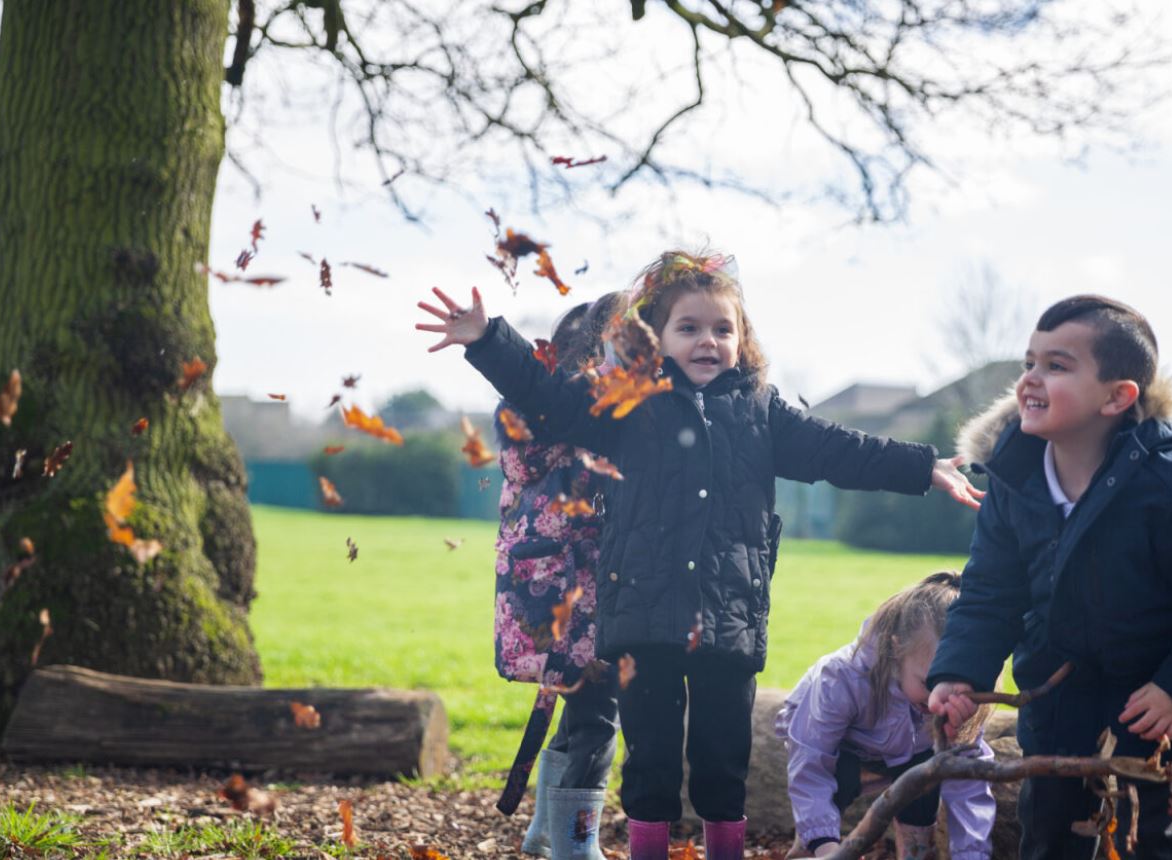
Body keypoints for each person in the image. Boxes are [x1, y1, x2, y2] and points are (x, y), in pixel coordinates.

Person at [417, 250, 983, 860]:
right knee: (650, 764)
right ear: (655, 337)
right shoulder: (628, 403)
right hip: (643, 618)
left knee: (723, 764)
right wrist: (487, 339)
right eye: (688, 328)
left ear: (743, 339)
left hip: (729, 619)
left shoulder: (762, 412)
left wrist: (922, 466)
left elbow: (838, 450)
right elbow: (547, 397)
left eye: (722, 329)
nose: (707, 341)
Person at [927, 295, 1172, 859]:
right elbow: (991, 591)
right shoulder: (1015, 480)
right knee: (1051, 843)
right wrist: (960, 671)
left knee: (1155, 844)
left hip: (1152, 713)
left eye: (1057, 366)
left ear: (1117, 396)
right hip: (1060, 707)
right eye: (1029, 363)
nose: (1031, 380)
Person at [493, 293, 625, 860]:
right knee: (599, 712)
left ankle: (548, 830)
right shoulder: (581, 412)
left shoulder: (537, 408)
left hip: (545, 580)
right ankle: (578, 845)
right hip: (578, 584)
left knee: (579, 702)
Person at [777, 572, 995, 860]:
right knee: (832, 784)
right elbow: (811, 761)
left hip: (910, 754)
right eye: (927, 684)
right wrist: (828, 850)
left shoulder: (954, 698)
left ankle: (915, 849)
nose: (935, 701)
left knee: (926, 774)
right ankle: (812, 844)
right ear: (896, 648)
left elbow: (968, 782)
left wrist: (972, 854)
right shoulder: (842, 678)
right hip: (840, 753)